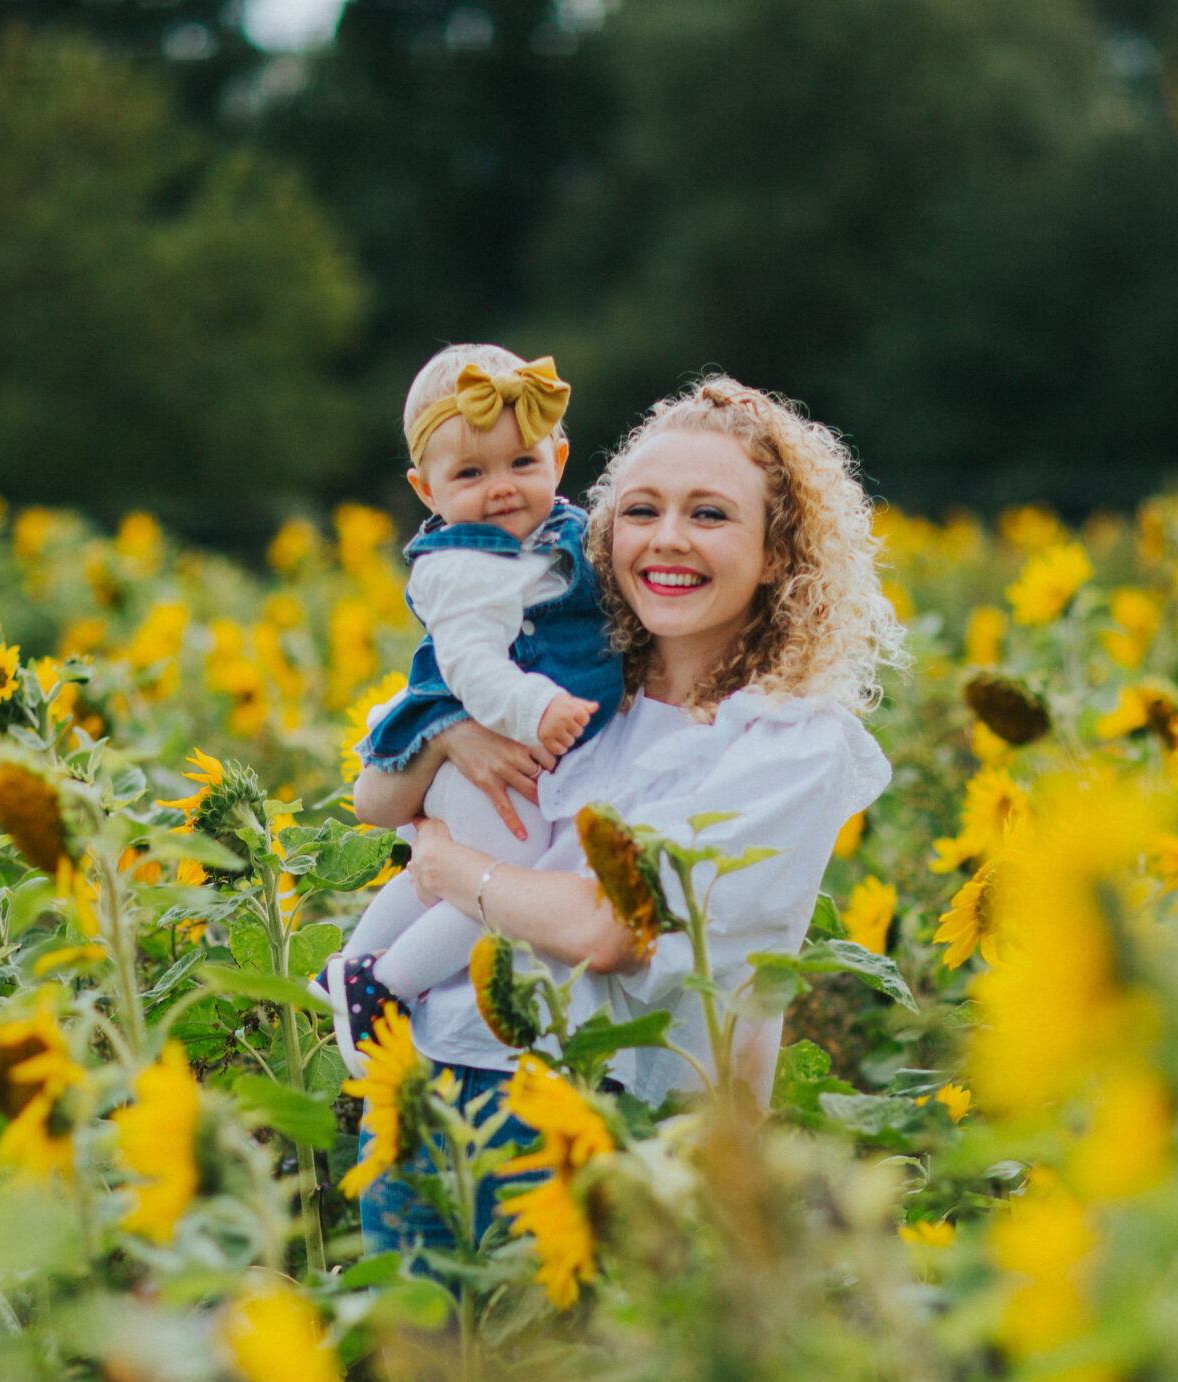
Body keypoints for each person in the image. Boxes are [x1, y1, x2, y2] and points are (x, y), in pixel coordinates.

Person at [349, 376, 907, 1257]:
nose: (669, 539)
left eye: (711, 515)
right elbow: (374, 797)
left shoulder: (788, 739)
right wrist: (452, 736)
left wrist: (454, 869)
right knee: (411, 1376)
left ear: (777, 552)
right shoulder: (571, 683)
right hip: (423, 1087)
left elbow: (614, 930)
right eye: (642, 510)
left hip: (622, 1135)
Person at [324, 344, 626, 1073]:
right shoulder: (461, 565)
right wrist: (534, 706)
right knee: (496, 869)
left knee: (436, 873)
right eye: (469, 473)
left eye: (521, 464)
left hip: (508, 753)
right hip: (500, 741)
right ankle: (383, 983)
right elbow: (471, 667)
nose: (500, 489)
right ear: (425, 490)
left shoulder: (573, 536)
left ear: (559, 456)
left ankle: (352, 962)